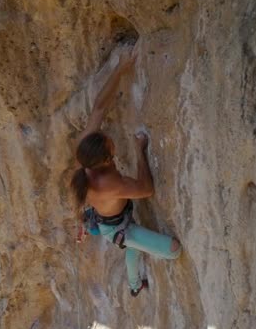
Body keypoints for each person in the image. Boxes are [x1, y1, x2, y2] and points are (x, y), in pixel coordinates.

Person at [71, 48, 182, 297]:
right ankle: (134, 283)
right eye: (110, 145)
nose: (110, 139)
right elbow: (146, 188)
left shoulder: (84, 152)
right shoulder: (109, 184)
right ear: (107, 160)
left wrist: (121, 68)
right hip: (117, 229)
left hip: (106, 217)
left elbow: (99, 108)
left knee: (133, 244)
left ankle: (134, 285)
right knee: (173, 249)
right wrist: (139, 150)